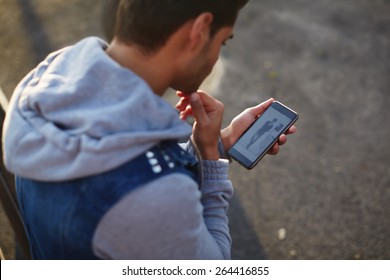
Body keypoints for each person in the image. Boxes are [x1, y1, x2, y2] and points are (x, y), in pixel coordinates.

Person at [2, 0, 296, 259]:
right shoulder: (150, 198)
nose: (217, 54)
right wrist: (209, 160)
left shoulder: (49, 79)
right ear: (199, 30)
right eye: (223, 42)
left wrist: (219, 142)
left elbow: (121, 161)